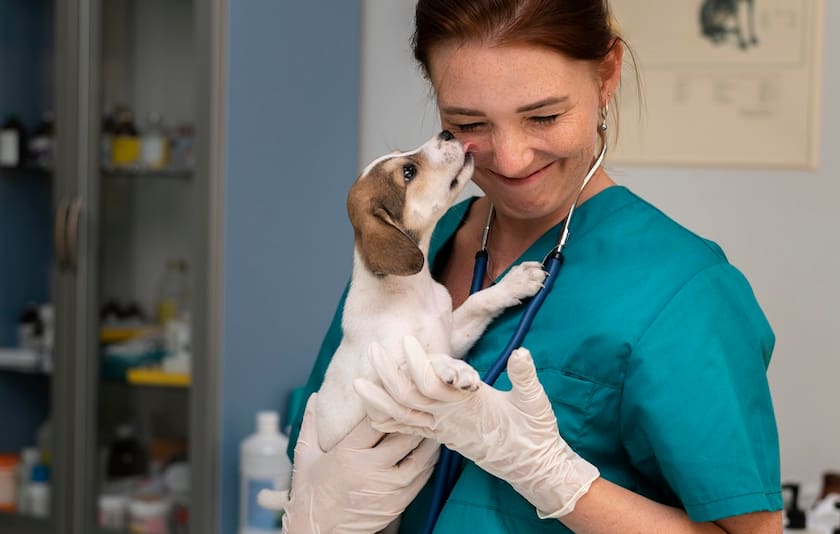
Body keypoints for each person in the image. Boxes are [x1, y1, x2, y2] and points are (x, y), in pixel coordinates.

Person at [285, 0, 783, 532]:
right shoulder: (404, 262)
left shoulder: (685, 292)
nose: (513, 157)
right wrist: (316, 516)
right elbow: (319, 436)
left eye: (544, 116)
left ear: (607, 75)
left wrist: (558, 479)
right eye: (469, 122)